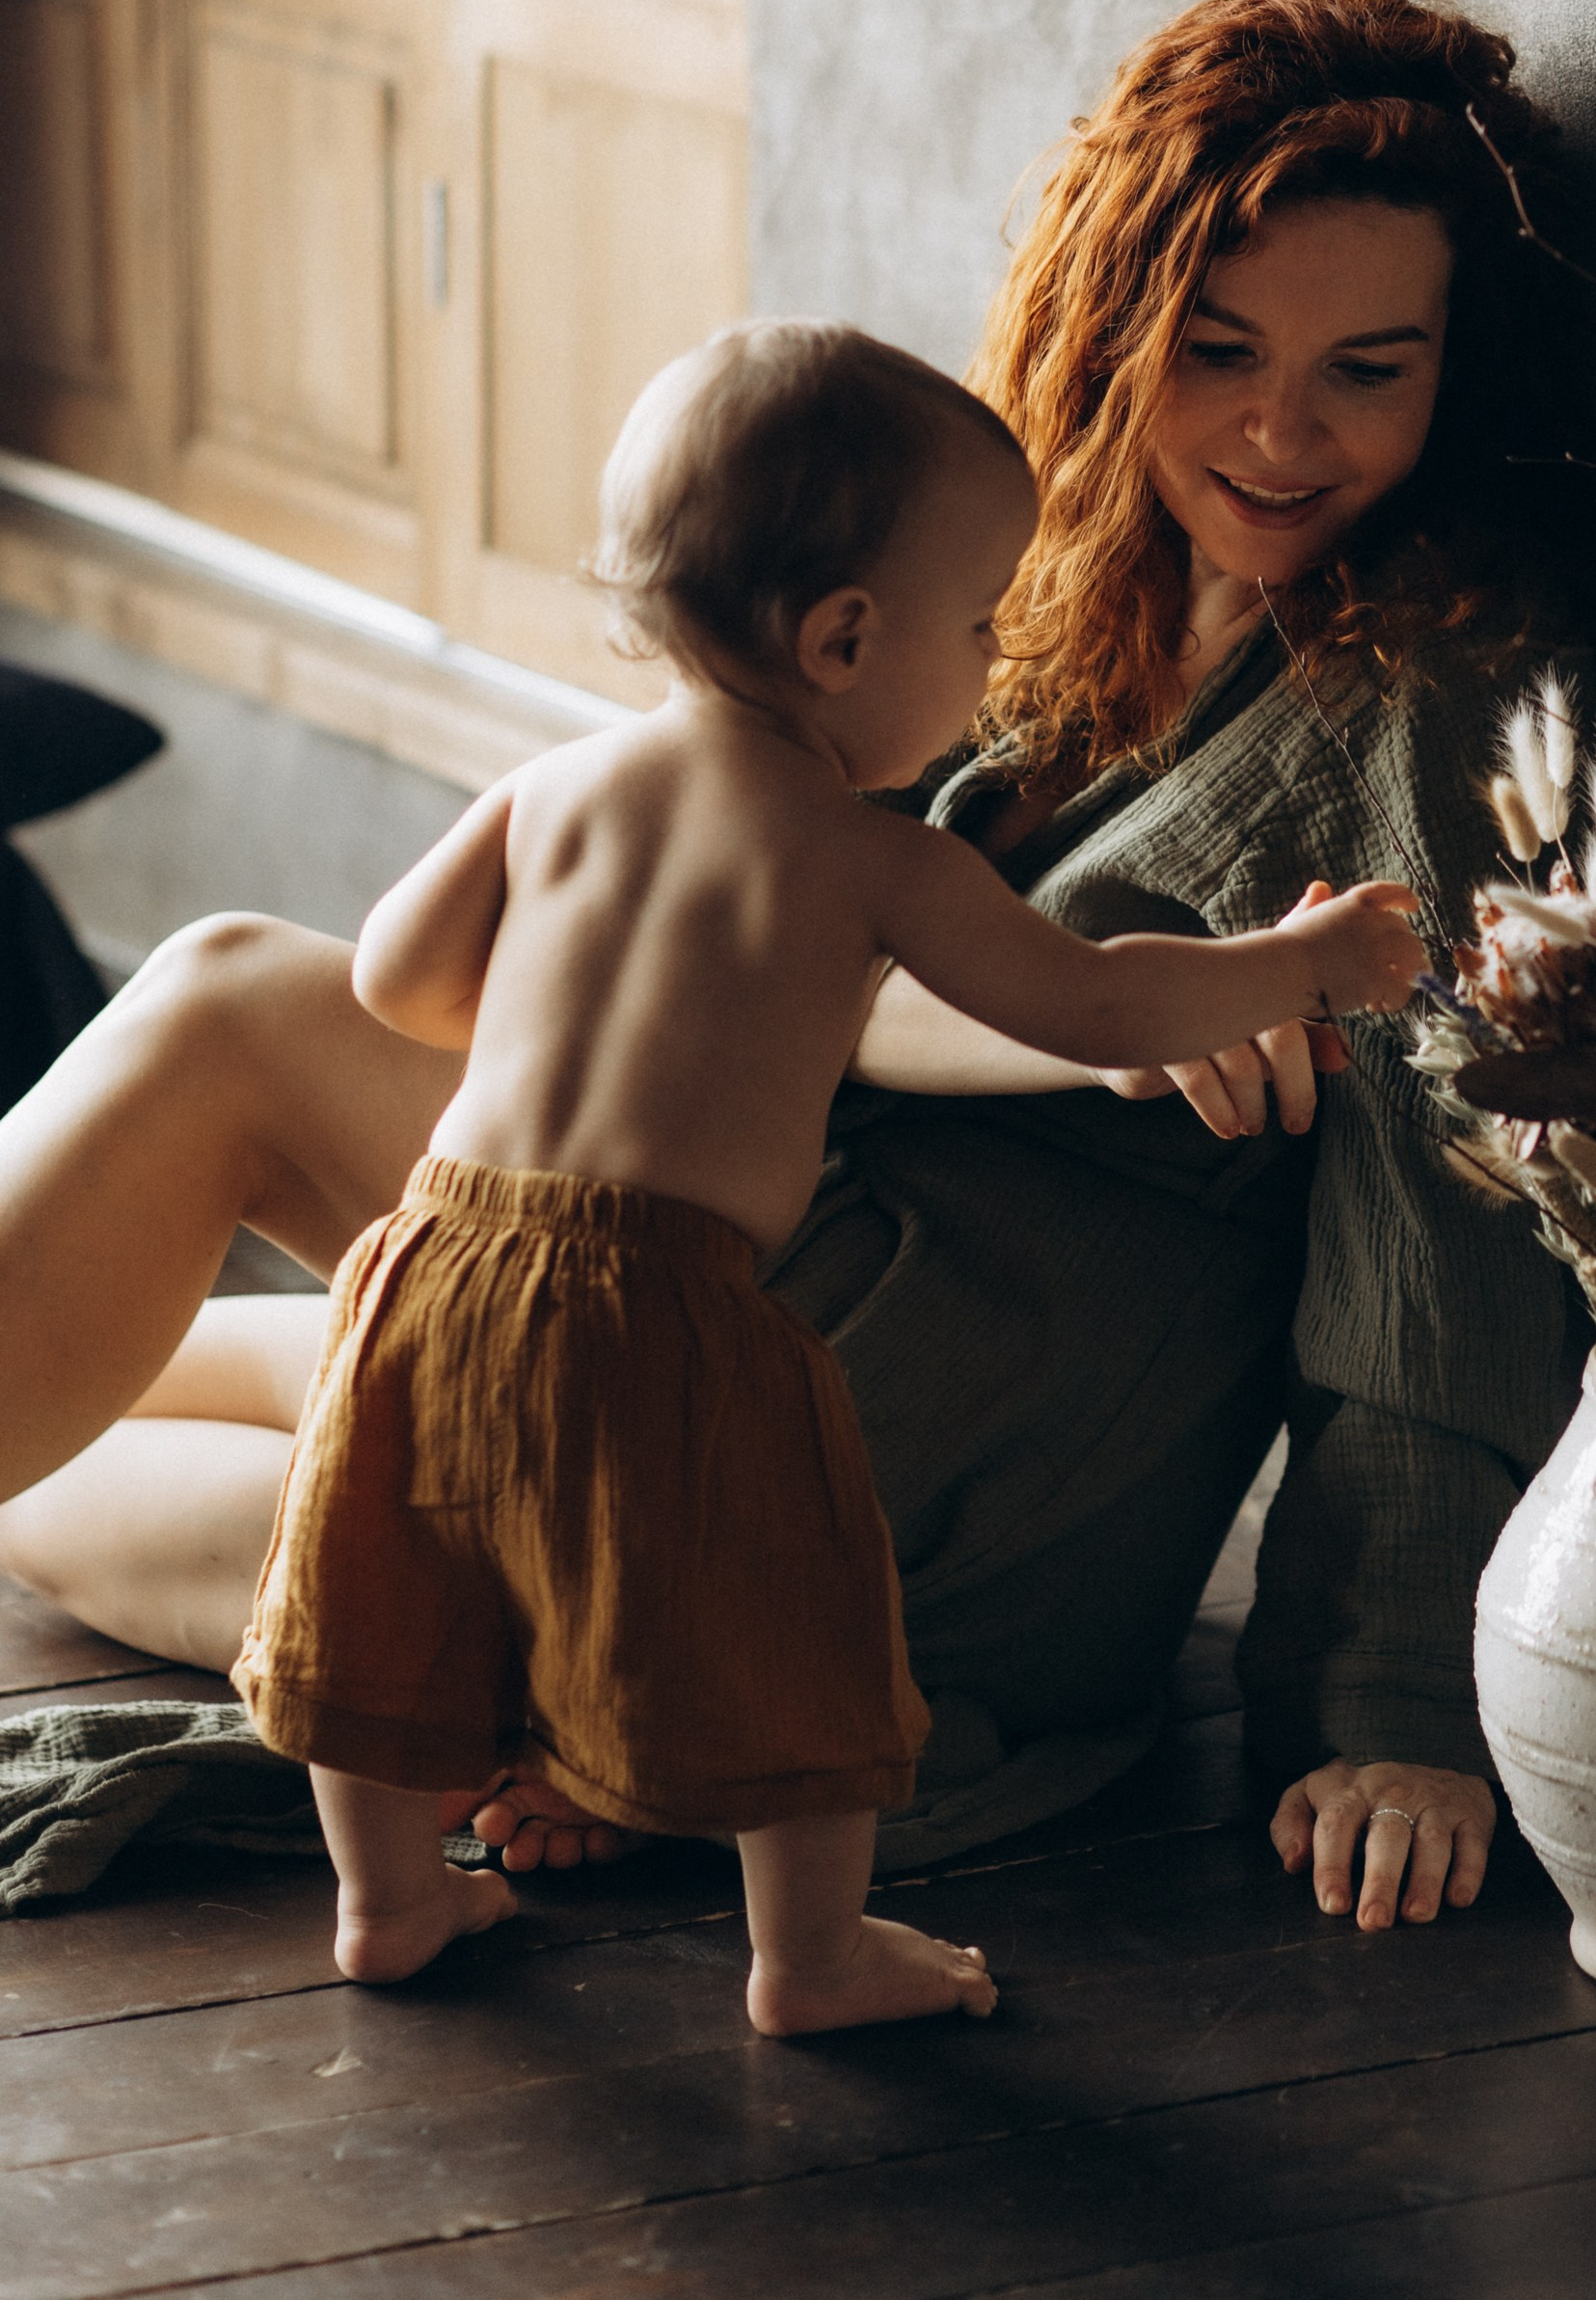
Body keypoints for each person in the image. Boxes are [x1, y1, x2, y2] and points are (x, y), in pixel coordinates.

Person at [0, 0, 1596, 1937]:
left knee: (237, 1024)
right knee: (76, 1451)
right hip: (765, 1257)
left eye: (1371, 367)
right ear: (1119, 323)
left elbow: (1444, 1253)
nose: (1281, 428)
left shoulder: (1434, 713)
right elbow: (841, 959)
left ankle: (602, 1699)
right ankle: (555, 1695)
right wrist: (1077, 1038)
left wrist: (1393, 1699)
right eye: (1217, 346)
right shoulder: (1023, 579)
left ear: (1458, 376)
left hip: (940, 1439)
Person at [241, 320, 1420, 2024]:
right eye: (979, 623)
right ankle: (805, 1955)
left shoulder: (554, 788)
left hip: (430, 1258)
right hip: (666, 1302)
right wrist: (1294, 968)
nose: (994, 655)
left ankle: (390, 1900)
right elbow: (1092, 999)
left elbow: (395, 984)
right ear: (846, 638)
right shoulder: (872, 858)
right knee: (791, 1623)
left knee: (389, 1577)